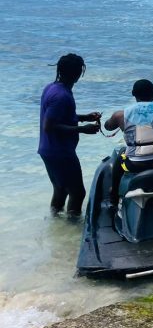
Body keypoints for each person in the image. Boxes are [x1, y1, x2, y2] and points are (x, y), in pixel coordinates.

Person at [38, 53, 101, 217]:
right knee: (78, 193)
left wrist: (84, 117)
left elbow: (60, 117)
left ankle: (55, 224)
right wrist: (82, 129)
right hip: (60, 152)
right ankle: (73, 228)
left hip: (48, 150)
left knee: (60, 190)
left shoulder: (52, 88)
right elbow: (49, 126)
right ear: (78, 74)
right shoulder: (61, 96)